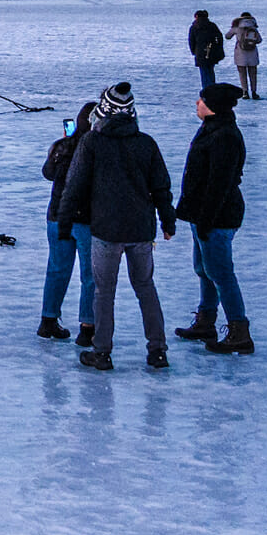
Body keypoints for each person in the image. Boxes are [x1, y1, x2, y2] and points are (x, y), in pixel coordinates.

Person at [60, 83, 175, 371]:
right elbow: (161, 187)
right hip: (140, 230)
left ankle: (102, 352)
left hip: (106, 230)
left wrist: (64, 223)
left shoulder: (92, 143)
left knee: (104, 292)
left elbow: (74, 186)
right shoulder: (146, 143)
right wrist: (168, 221)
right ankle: (157, 351)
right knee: (145, 287)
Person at [173, 82, 254, 356]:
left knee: (220, 272)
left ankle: (239, 331)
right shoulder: (212, 128)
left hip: (218, 216)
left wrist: (206, 220)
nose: (197, 103)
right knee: (204, 268)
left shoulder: (225, 136)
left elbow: (219, 184)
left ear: (213, 106)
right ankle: (206, 320)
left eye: (202, 100)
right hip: (204, 214)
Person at [37, 101, 97, 343]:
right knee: (90, 275)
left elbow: (48, 173)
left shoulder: (63, 146)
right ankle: (88, 326)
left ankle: (48, 320)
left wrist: (62, 144)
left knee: (58, 269)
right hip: (85, 219)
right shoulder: (96, 150)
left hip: (58, 215)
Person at [224, 13, 262, 99]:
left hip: (240, 54)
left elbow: (227, 36)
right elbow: (259, 40)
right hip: (253, 54)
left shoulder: (237, 27)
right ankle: (254, 92)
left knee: (242, 74)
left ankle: (245, 92)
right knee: (253, 74)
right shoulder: (254, 28)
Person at [188, 10, 225, 91]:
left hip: (200, 52)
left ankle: (206, 90)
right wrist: (218, 48)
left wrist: (194, 51)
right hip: (212, 51)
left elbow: (191, 41)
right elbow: (219, 38)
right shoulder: (212, 25)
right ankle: (212, 88)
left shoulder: (194, 27)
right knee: (210, 71)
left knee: (203, 72)